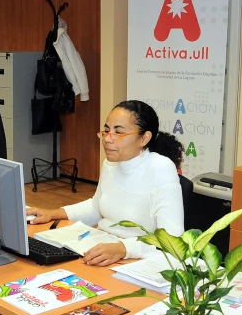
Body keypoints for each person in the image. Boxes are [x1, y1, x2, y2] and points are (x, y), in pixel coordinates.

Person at [26, 100, 185, 267]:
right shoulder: (110, 163)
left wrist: (123, 249)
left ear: (144, 138)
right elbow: (97, 208)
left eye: (118, 132)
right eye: (106, 130)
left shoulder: (161, 168)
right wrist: (52, 213)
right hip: (102, 250)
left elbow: (172, 242)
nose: (108, 139)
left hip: (137, 261)